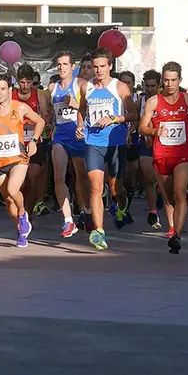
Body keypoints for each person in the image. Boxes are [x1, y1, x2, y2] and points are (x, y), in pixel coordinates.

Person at [76, 48, 138, 250]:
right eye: (95, 66)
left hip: (115, 143)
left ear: (110, 66)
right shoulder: (87, 87)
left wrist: (114, 118)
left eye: (102, 66)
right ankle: (99, 231)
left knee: (114, 188)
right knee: (95, 187)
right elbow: (82, 111)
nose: (98, 70)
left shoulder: (119, 87)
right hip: (93, 143)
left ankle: (122, 203)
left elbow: (133, 114)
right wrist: (80, 126)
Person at [0, 73, 45, 247]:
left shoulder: (20, 107)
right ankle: (21, 230)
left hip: (19, 158)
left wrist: (33, 140)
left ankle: (23, 213)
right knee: (9, 201)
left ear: (10, 90)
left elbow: (39, 121)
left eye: (2, 89)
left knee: (12, 189)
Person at [138, 62, 188, 253]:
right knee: (169, 197)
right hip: (161, 154)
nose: (170, 84)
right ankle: (177, 216)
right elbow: (141, 127)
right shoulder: (153, 101)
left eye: (174, 80)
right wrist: (154, 130)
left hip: (183, 155)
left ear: (180, 80)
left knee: (178, 193)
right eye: (167, 80)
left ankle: (176, 235)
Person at [48, 50, 89, 238]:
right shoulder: (52, 88)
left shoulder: (80, 84)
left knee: (81, 177)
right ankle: (68, 220)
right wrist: (48, 122)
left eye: (65, 64)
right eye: (59, 64)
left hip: (77, 134)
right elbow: (50, 112)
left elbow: (88, 109)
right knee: (59, 176)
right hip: (60, 136)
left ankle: (86, 211)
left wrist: (75, 104)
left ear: (73, 66)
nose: (61, 68)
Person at [12, 63, 51, 218]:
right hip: (16, 142)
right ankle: (20, 211)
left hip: (35, 140)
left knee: (32, 177)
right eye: (22, 82)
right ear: (18, 81)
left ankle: (28, 213)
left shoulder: (39, 95)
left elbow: (45, 117)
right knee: (18, 182)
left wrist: (37, 122)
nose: (26, 86)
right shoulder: (11, 95)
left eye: (29, 82)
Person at [137, 70, 170, 232]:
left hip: (164, 142)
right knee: (149, 177)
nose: (150, 89)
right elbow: (138, 119)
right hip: (145, 142)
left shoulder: (163, 100)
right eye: (147, 85)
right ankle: (153, 212)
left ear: (159, 85)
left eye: (153, 86)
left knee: (163, 180)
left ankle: (164, 195)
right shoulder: (141, 99)